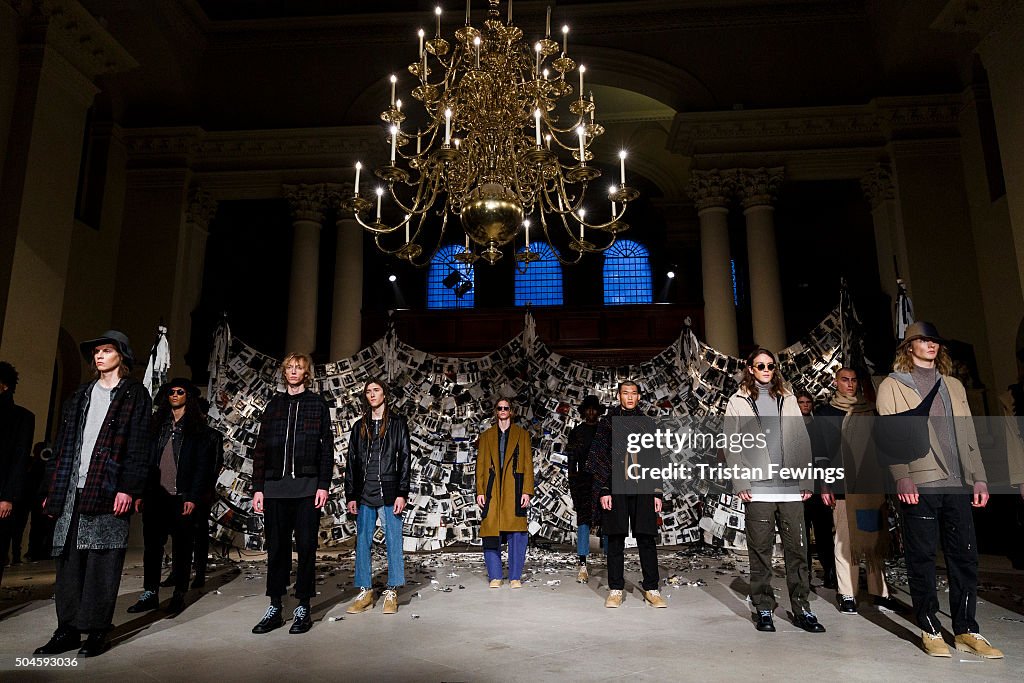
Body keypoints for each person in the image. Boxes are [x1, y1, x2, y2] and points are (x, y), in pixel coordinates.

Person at [876, 321, 1002, 659]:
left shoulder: (954, 385)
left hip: (958, 482)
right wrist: (901, 475)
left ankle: (966, 630)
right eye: (923, 339)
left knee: (965, 558)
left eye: (935, 340)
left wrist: (979, 476)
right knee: (922, 558)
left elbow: (970, 434)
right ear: (909, 346)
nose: (931, 344)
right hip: (920, 481)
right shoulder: (892, 385)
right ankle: (930, 628)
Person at [34, 331, 151, 657]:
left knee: (103, 561)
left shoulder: (134, 396)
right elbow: (62, 445)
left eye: (106, 350)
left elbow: (139, 445)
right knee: (68, 563)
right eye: (96, 351)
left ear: (122, 356)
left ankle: (98, 630)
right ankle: (67, 629)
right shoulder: (80, 396)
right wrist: (49, 487)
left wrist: (130, 487)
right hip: (72, 489)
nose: (99, 356)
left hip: (109, 486)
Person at [724, 349, 824, 633]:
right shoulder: (738, 401)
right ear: (750, 368)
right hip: (758, 487)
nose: (766, 369)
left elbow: (801, 439)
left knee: (798, 550)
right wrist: (741, 482)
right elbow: (731, 444)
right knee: (760, 551)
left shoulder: (788, 397)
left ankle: (802, 607)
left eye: (770, 365)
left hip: (791, 486)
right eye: (761, 365)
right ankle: (764, 608)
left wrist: (806, 479)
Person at [250, 353, 333, 635]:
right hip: (274, 488)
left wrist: (323, 484)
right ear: (284, 373)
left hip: (307, 488)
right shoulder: (274, 405)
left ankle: (303, 607)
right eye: (289, 368)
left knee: (307, 548)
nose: (294, 372)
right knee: (276, 550)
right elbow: (260, 448)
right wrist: (258, 488)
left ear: (306, 373)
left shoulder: (317, 403)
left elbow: (327, 448)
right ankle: (275, 605)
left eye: (299, 368)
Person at [127, 378, 220, 614]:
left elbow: (203, 467)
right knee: (152, 547)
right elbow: (145, 461)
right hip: (155, 495)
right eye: (171, 392)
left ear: (188, 395)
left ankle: (179, 593)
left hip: (182, 496)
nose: (175, 395)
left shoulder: (199, 431)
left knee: (182, 547)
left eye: (180, 391)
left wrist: (193, 497)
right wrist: (139, 492)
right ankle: (150, 592)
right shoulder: (157, 426)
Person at [813, 367, 892, 614]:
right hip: (841, 484)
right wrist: (824, 484)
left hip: (869, 484)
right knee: (844, 540)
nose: (850, 384)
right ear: (836, 382)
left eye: (854, 380)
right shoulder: (825, 413)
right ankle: (847, 593)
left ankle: (880, 592)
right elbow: (821, 452)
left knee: (872, 538)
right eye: (845, 380)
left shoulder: (868, 410)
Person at [589, 381, 666, 609]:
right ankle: (615, 589)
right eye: (625, 393)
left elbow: (654, 458)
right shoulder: (607, 424)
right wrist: (604, 489)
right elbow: (599, 457)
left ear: (639, 397)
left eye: (633, 393)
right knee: (615, 539)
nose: (630, 397)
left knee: (646, 538)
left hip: (643, 487)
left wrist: (657, 493)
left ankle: (651, 588)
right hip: (616, 485)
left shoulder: (647, 423)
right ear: (619, 396)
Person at [345, 378, 411, 614]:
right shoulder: (359, 426)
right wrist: (350, 495)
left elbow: (404, 459)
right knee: (362, 543)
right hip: (364, 493)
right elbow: (351, 463)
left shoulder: (397, 423)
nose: (372, 395)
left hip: (389, 492)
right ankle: (365, 591)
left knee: (394, 541)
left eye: (376, 390)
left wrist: (402, 493)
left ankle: (392, 591)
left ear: (385, 394)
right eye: (368, 392)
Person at [476, 398, 533, 589]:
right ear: (495, 411)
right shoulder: (486, 437)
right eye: (499, 408)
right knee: (490, 530)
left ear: (511, 411)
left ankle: (515, 576)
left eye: (505, 408)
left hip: (514, 488)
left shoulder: (522, 435)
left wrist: (527, 491)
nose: (502, 410)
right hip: (492, 488)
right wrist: (480, 491)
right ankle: (495, 576)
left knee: (517, 532)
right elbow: (481, 466)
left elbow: (527, 464)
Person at [798, 388, 836, 591]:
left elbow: (823, 456)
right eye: (801, 402)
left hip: (817, 486)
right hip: (797, 488)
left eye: (807, 402)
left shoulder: (817, 427)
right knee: (801, 535)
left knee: (823, 533)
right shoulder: (790, 427)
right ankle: (804, 576)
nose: (805, 405)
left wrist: (825, 484)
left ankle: (830, 572)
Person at [0, 361, 33, 581]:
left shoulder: (22, 418)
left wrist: (8, 497)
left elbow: (20, 459)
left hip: (2, 494)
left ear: (4, 385)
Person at [567, 395, 602, 583]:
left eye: (594, 409)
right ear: (583, 411)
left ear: (598, 411)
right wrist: (574, 491)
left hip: (604, 482)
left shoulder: (605, 432)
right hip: (583, 482)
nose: (591, 412)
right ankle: (582, 564)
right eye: (587, 409)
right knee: (583, 522)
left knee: (608, 521)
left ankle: (612, 560)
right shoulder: (576, 433)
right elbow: (571, 465)